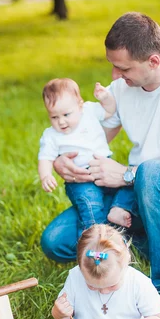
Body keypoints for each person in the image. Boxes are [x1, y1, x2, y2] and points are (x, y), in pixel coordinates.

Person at [41, 12, 160, 296]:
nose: (115, 76)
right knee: (56, 241)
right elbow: (89, 139)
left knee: (152, 172)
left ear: (153, 61)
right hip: (135, 194)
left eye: (123, 69)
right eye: (113, 66)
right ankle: (153, 240)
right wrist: (61, 161)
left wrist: (127, 174)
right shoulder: (122, 88)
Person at [38, 78, 135, 232]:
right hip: (81, 180)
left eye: (66, 114)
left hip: (105, 167)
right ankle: (95, 237)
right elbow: (45, 158)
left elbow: (110, 111)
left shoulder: (89, 110)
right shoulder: (51, 135)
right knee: (90, 205)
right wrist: (45, 176)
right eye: (54, 117)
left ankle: (119, 209)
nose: (61, 122)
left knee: (130, 185)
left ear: (80, 105)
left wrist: (105, 98)